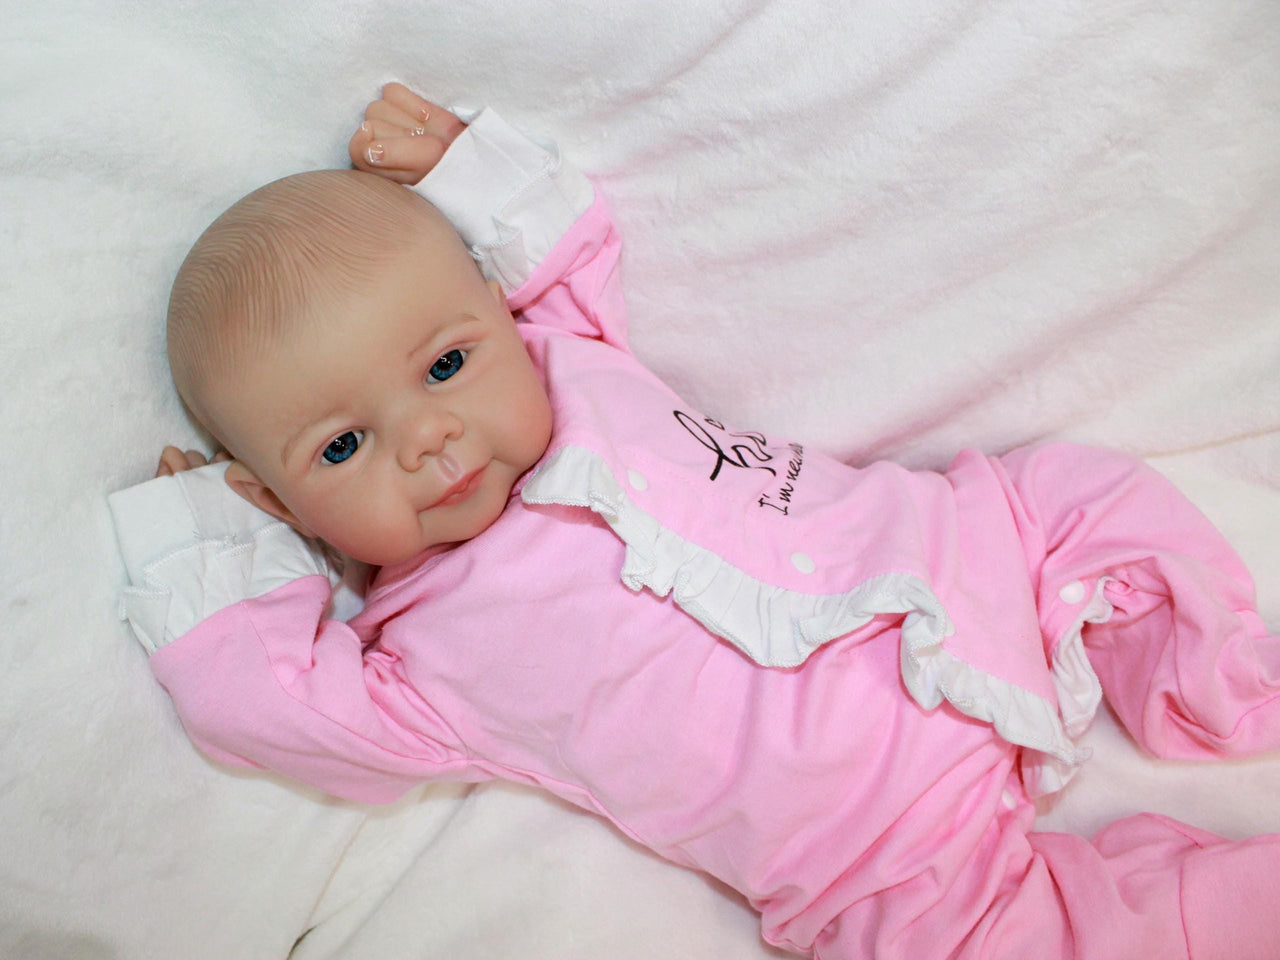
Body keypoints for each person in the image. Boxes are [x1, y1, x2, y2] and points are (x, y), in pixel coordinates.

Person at [112, 83, 1280, 959]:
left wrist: (464, 169)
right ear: (278, 502)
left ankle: (1218, 682)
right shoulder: (415, 667)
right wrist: (210, 557)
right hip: (880, 848)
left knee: (1070, 495)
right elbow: (268, 706)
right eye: (341, 446)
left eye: (446, 363)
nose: (427, 438)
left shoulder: (570, 358)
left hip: (958, 568)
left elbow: (564, 240)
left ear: (497, 316)